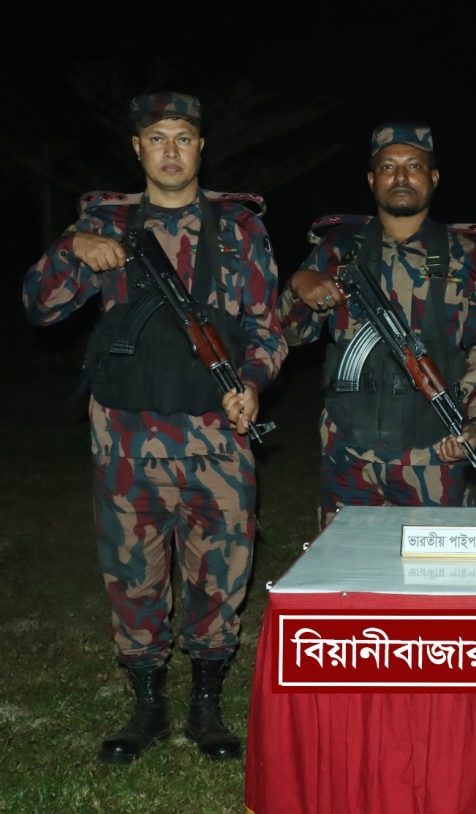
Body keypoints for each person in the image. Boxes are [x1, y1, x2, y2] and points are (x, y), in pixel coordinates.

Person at [23, 91, 287, 763]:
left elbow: (266, 329)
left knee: (221, 573)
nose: (171, 151)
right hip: (125, 438)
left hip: (216, 435)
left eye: (184, 138)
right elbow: (40, 307)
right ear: (137, 148)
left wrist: (253, 384)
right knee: (132, 576)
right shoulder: (104, 224)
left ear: (201, 148)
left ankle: (206, 703)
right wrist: (74, 248)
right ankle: (146, 705)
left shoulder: (239, 229)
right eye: (158, 138)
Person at [278, 123, 476, 524]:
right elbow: (291, 334)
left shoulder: (467, 255)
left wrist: (473, 425)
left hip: (435, 455)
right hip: (349, 454)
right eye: (388, 167)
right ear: (372, 180)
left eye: (414, 166)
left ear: (434, 178)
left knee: (435, 565)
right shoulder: (338, 249)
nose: (401, 176)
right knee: (347, 564)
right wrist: (298, 284)